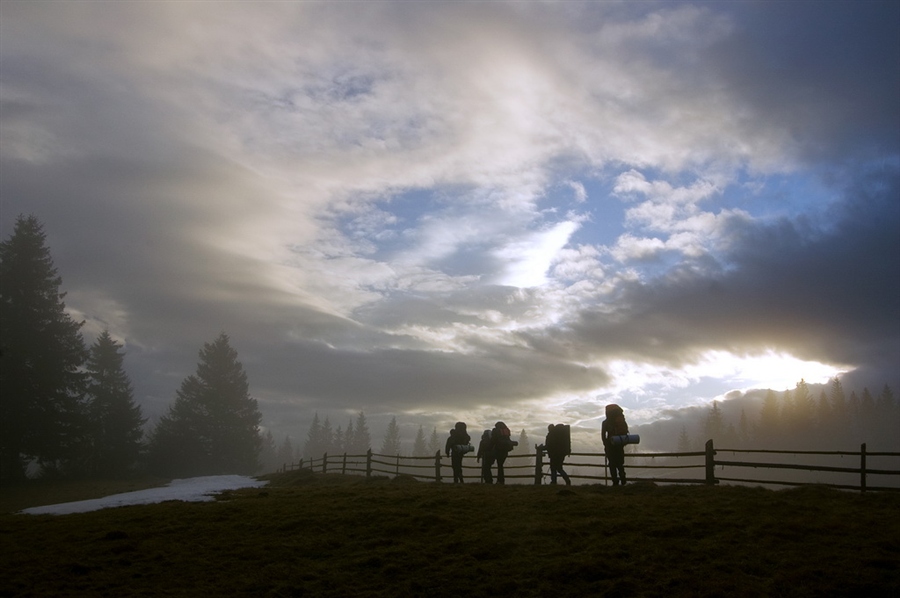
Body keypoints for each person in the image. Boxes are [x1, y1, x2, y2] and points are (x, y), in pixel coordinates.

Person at [601, 404, 629, 486]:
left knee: (612, 464)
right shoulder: (620, 421)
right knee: (620, 463)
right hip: (619, 444)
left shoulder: (605, 422)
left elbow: (603, 435)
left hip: (610, 445)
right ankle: (623, 480)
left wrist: (606, 445)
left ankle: (615, 481)